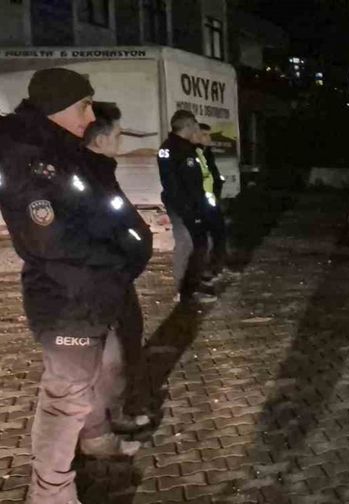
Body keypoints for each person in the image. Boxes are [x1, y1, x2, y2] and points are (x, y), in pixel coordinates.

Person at [0, 68, 146, 504]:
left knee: (98, 374)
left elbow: (90, 206)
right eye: (84, 105)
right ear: (62, 108)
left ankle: (97, 440)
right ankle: (50, 494)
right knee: (64, 399)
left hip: (92, 289)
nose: (90, 114)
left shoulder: (61, 149)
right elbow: (49, 237)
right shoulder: (32, 157)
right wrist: (116, 260)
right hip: (67, 297)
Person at [81, 102, 153, 433]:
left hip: (118, 276)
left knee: (126, 343)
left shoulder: (101, 170)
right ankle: (104, 424)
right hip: (102, 280)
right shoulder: (85, 175)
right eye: (118, 135)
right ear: (100, 139)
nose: (121, 141)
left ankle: (116, 411)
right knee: (110, 357)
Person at [157, 110, 216, 304]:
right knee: (186, 245)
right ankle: (183, 291)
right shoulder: (170, 149)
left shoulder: (187, 148)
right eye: (195, 125)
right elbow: (173, 185)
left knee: (201, 244)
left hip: (194, 206)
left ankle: (193, 284)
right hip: (182, 208)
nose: (197, 129)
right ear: (188, 126)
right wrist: (187, 210)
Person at [194, 123, 238, 282]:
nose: (209, 138)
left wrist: (218, 186)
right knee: (206, 239)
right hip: (201, 203)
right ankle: (205, 271)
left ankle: (219, 267)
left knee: (220, 234)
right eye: (205, 135)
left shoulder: (207, 153)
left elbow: (212, 174)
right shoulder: (193, 153)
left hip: (212, 199)